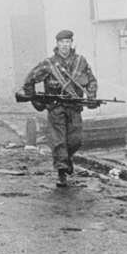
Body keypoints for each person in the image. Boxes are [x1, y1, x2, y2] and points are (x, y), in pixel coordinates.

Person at [22, 30, 98, 187]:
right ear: (57, 44)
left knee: (75, 141)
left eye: (68, 42)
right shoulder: (49, 64)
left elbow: (91, 80)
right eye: (62, 42)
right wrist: (36, 100)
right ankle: (61, 172)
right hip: (56, 108)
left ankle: (66, 159)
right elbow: (29, 80)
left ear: (72, 43)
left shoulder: (80, 61)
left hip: (74, 107)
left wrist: (91, 97)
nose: (65, 45)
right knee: (58, 141)